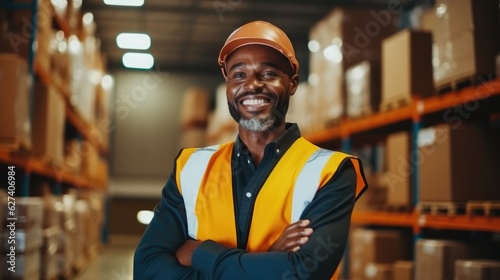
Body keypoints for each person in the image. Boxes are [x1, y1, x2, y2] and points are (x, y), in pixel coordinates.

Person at [134, 20, 368, 280]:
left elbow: (302, 273)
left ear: (292, 84)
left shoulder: (330, 171)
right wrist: (268, 256)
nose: (252, 84)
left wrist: (200, 252)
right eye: (239, 74)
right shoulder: (191, 167)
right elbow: (147, 269)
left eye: (268, 73)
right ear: (228, 87)